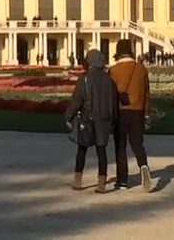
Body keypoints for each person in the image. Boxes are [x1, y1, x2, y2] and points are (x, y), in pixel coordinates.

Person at [65, 49, 118, 193]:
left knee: (82, 149)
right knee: (101, 150)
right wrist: (113, 119)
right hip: (104, 119)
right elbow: (114, 102)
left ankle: (78, 180)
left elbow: (77, 100)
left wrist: (69, 116)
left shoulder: (85, 78)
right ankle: (101, 183)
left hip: (88, 118)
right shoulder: (109, 79)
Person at [109, 38, 152, 192]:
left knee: (120, 146)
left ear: (118, 52)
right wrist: (146, 114)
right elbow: (147, 94)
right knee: (137, 144)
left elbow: (111, 95)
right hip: (138, 111)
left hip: (120, 112)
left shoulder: (114, 70)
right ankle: (144, 166)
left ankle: (122, 181)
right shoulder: (141, 69)